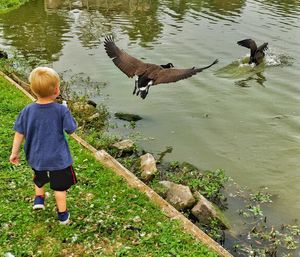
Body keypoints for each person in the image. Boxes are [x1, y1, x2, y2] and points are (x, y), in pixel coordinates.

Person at [9, 67, 77, 224]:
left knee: (39, 178)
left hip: (36, 156)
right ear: (57, 90)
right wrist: (67, 112)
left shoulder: (27, 110)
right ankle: (62, 215)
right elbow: (71, 129)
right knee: (60, 189)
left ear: (32, 90)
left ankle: (39, 199)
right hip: (58, 159)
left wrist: (14, 153)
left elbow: (19, 133)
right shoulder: (61, 110)